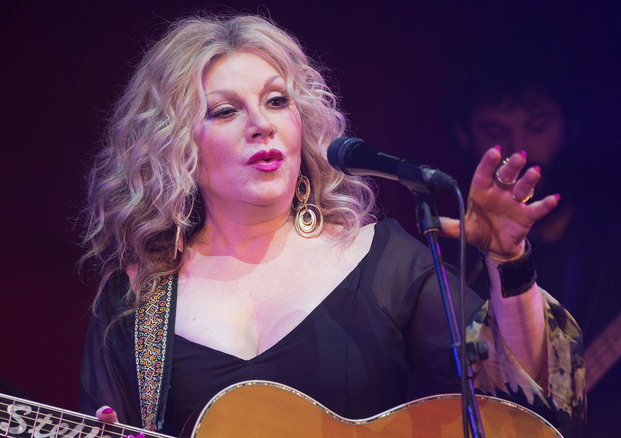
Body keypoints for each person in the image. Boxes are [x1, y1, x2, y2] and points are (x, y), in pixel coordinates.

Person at [78, 14, 585, 437]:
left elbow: (531, 405)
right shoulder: (134, 303)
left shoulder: (379, 260)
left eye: (277, 101)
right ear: (176, 148)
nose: (262, 124)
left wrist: (508, 264)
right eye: (226, 111)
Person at [446, 24, 621, 435]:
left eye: (537, 125)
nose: (518, 150)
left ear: (570, 124)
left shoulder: (610, 234)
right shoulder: (455, 262)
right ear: (462, 133)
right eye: (495, 131)